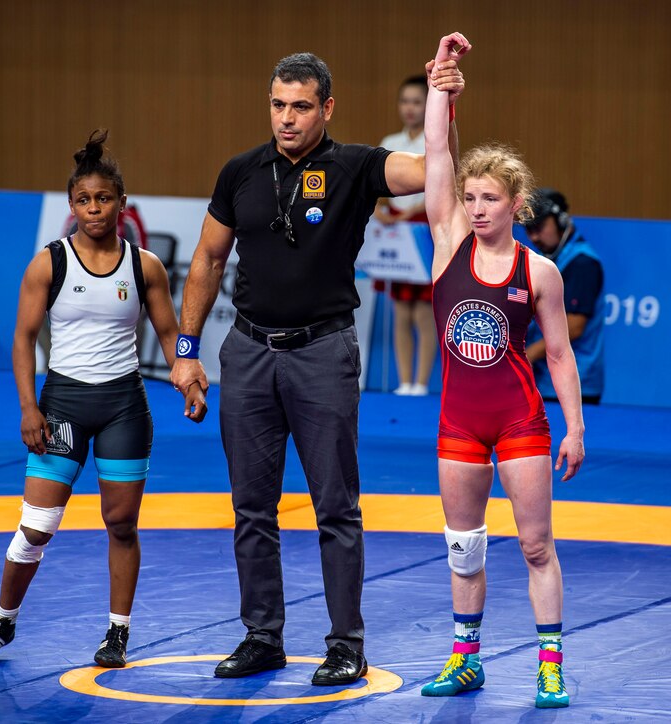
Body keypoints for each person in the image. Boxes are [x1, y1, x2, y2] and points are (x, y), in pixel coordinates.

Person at [169, 52, 464, 686]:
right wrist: (187, 352)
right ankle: (261, 636)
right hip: (246, 354)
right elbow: (206, 261)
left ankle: (345, 645)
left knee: (336, 508)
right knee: (251, 507)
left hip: (323, 353)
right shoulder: (240, 172)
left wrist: (444, 103)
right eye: (278, 105)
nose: (287, 118)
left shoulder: (356, 166)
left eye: (301, 106)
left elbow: (436, 174)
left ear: (327, 108)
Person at [0, 130, 206, 669]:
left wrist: (188, 377)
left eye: (104, 199)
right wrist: (29, 407)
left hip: (124, 405)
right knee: (37, 525)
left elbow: (169, 334)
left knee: (121, 523)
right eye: (83, 200)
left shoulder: (145, 267)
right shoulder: (49, 264)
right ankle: (4, 621)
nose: (94, 209)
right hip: (63, 404)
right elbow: (23, 339)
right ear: (71, 206)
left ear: (123, 201)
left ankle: (116, 635)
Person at [420, 33, 585, 708]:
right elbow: (436, 152)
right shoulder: (448, 244)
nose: (478, 206)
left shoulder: (538, 271)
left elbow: (560, 353)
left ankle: (549, 663)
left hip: (520, 421)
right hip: (459, 423)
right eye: (471, 195)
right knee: (465, 548)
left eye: (490, 197)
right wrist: (441, 85)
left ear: (516, 204)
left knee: (536, 545)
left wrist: (574, 428)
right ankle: (467, 659)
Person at [373, 75, 437, 396]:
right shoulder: (390, 141)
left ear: (428, 106)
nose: (410, 108)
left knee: (423, 312)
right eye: (405, 101)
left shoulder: (435, 139)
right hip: (397, 228)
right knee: (400, 308)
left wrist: (413, 213)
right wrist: (380, 210)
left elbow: (443, 185)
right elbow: (377, 185)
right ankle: (403, 381)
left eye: (417, 102)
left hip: (424, 227)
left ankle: (422, 383)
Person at [524, 188, 606, 404]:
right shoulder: (546, 260)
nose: (533, 237)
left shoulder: (583, 264)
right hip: (545, 378)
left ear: (560, 221)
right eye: (528, 229)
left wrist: (528, 355)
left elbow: (575, 325)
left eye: (539, 228)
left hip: (575, 381)